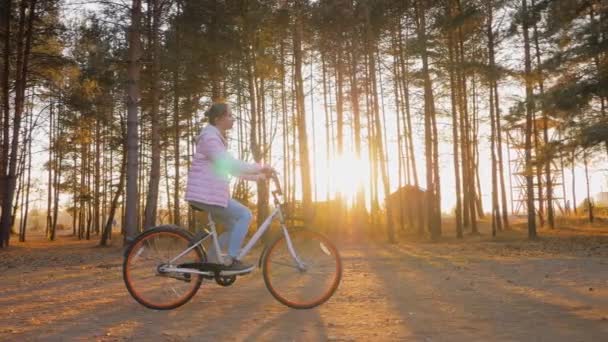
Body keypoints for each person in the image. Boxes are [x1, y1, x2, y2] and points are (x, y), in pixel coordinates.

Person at [185, 102, 273, 272]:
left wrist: (258, 177)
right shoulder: (210, 139)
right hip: (207, 194)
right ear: (218, 119)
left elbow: (230, 169)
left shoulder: (214, 138)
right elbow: (228, 163)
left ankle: (212, 261)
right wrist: (259, 166)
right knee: (245, 215)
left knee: (234, 225)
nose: (233, 119)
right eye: (230, 115)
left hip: (210, 194)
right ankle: (231, 260)